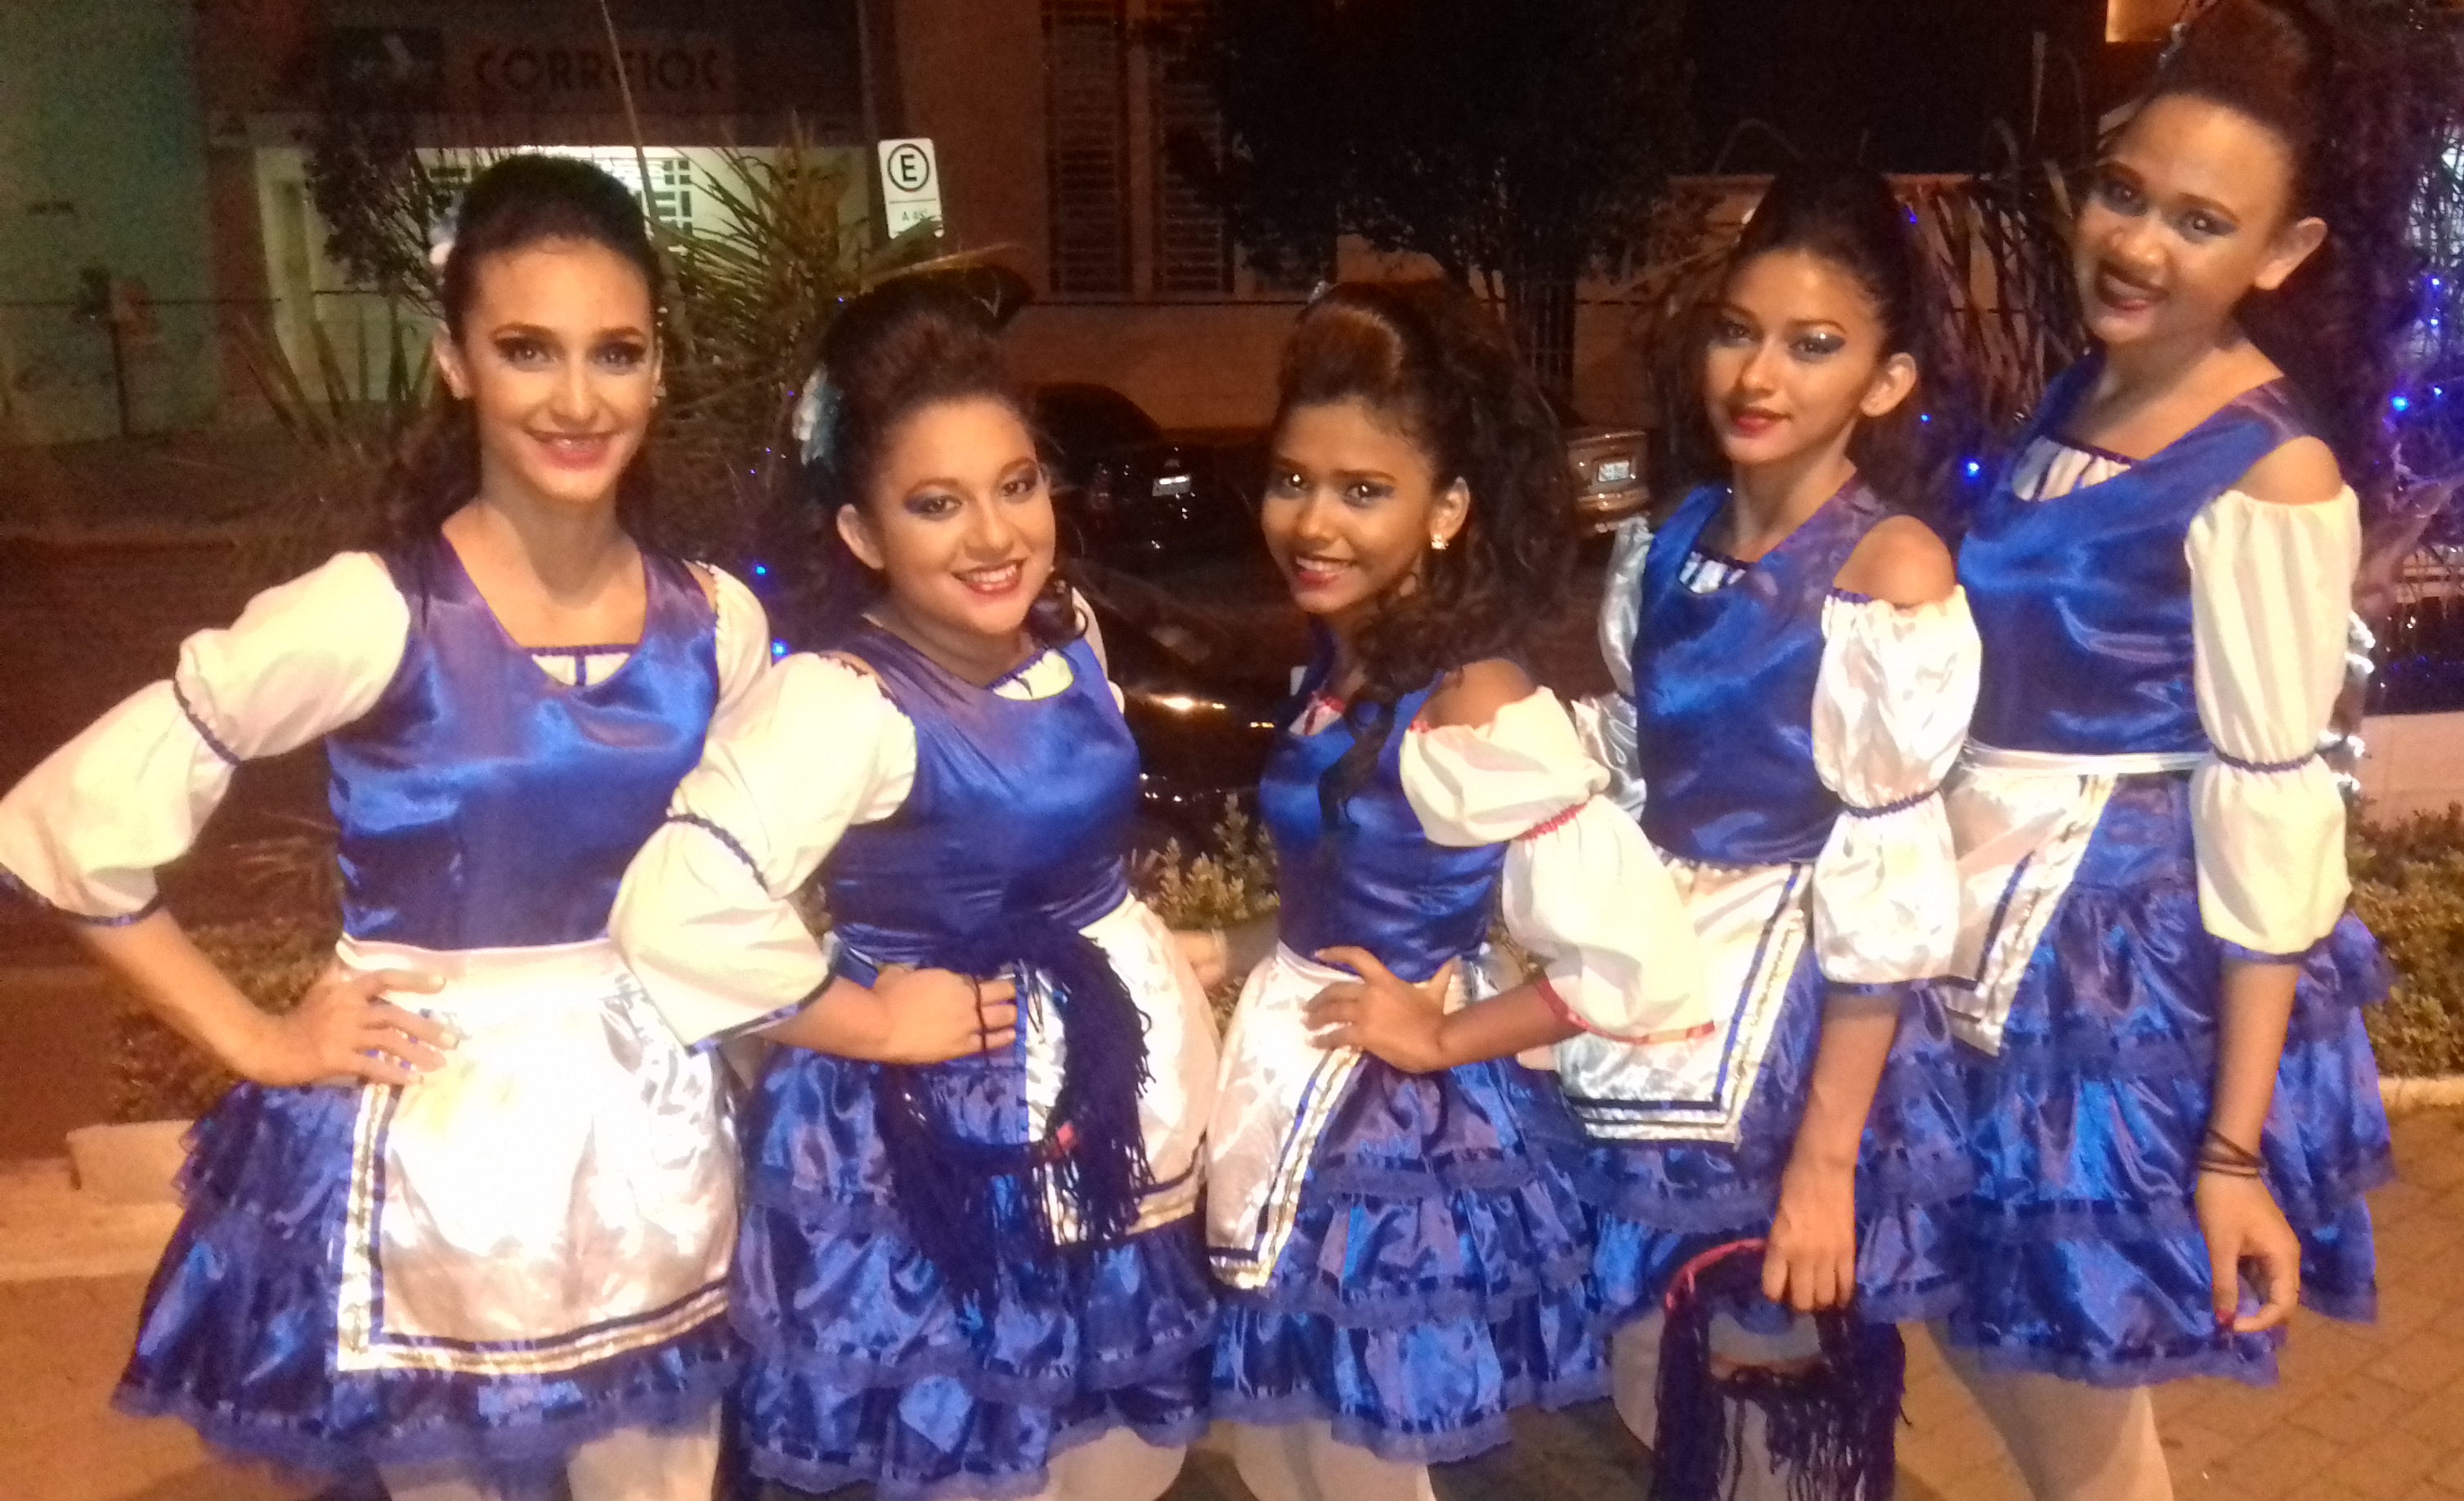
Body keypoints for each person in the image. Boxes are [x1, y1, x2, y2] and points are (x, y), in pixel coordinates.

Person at [0, 155, 766, 1499]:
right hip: (435, 1160)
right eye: (527, 349)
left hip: (659, 1146)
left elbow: (757, 891)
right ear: (455, 362)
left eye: (616, 351)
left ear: (658, 368)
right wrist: (258, 1038)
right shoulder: (372, 611)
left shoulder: (721, 624)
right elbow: (63, 827)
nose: (577, 398)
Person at [608, 280, 1220, 1501]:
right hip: (940, 1139)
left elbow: (1059, 846)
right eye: (936, 504)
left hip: (1108, 1097)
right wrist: (872, 1021)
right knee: (972, 1448)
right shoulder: (840, 703)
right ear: (861, 531)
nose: (994, 535)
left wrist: (1139, 937)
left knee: (1119, 1448)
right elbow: (673, 908)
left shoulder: (1068, 635)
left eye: (1016, 485)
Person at [1937, 2, 2436, 1494]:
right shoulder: (2083, 391)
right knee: (2013, 1363)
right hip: (1983, 920)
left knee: (2069, 1402)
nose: (2139, 244)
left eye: (2201, 222)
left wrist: (2230, 1152)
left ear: (2283, 254)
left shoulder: (2271, 472)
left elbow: (2274, 806)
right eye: (2125, 193)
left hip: (2105, 987)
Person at [1181, 281, 1709, 1501]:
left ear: (1448, 508)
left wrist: (1442, 1038)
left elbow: (1636, 962)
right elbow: (1347, 885)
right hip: (1287, 1083)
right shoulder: (1343, 657)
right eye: (1294, 479)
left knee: (1359, 1461)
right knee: (1281, 1453)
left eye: (1364, 490)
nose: (1314, 522)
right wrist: (1232, 947)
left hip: (1386, 1139)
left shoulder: (1478, 704)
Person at [1566, 164, 1981, 1480]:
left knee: (1769, 1417)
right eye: (1739, 332)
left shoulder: (1889, 571)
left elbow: (1890, 879)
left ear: (1885, 380)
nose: (1758, 375)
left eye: (1814, 346)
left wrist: (1823, 1167)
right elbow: (1628, 780)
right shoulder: (1667, 540)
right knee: (1659, 1394)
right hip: (1651, 1013)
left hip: (1792, 1044)